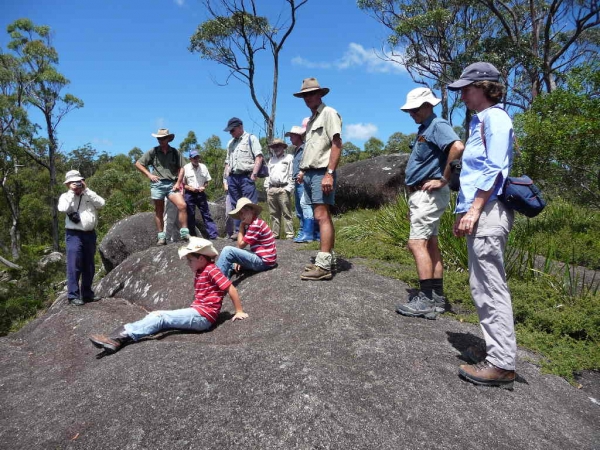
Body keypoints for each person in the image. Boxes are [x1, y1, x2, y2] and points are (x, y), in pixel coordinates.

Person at [448, 62, 516, 389]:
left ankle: (502, 364)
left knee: (490, 286)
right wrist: (463, 213)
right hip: (479, 210)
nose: (462, 94)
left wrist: (474, 209)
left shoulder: (496, 118)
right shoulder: (479, 122)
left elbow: (495, 168)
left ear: (485, 87)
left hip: (489, 210)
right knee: (480, 285)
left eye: (466, 88)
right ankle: (495, 351)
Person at [89, 237, 248, 354]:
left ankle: (118, 337)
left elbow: (230, 288)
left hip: (203, 317)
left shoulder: (211, 270)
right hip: (199, 313)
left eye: (190, 260)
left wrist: (239, 310)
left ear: (201, 258)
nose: (188, 263)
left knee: (160, 317)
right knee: (161, 318)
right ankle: (119, 336)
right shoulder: (202, 270)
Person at [395, 88, 465, 320]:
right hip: (423, 194)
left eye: (415, 109)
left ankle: (424, 299)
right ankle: (436, 297)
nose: (412, 113)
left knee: (416, 244)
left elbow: (457, 147)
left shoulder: (437, 125)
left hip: (430, 192)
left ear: (428, 105)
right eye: (410, 110)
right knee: (431, 244)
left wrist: (444, 179)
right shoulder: (425, 129)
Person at [294, 78, 342, 281]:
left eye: (312, 93)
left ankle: (323, 266)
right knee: (320, 215)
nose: (308, 98)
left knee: (322, 216)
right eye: (305, 94)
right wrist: (303, 171)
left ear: (320, 94)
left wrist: (329, 173)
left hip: (323, 172)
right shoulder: (313, 119)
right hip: (311, 173)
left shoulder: (329, 113)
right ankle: (326, 259)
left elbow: (336, 144)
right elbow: (313, 149)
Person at [57, 170, 105, 306]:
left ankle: (87, 293)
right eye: (73, 182)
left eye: (78, 181)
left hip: (90, 234)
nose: (77, 185)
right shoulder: (65, 196)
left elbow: (101, 203)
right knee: (74, 264)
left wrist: (87, 189)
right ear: (67, 184)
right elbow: (63, 208)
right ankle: (73, 295)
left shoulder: (88, 194)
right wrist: (72, 192)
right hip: (74, 234)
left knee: (89, 265)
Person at [135, 128, 189, 245]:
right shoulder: (153, 151)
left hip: (171, 184)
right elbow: (138, 163)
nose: (160, 140)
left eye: (163, 138)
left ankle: (184, 233)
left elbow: (182, 168)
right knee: (159, 211)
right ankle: (161, 236)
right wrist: (149, 175)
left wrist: (178, 183)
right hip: (157, 184)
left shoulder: (175, 152)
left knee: (182, 205)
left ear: (168, 139)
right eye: (159, 138)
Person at [216, 197, 277, 279]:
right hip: (266, 260)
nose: (243, 215)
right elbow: (240, 247)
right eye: (240, 213)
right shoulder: (255, 223)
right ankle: (224, 281)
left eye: (246, 211)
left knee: (227, 251)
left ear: (253, 211)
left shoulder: (256, 225)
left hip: (264, 261)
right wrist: (238, 259)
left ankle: (216, 283)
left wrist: (241, 226)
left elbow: (240, 245)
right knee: (227, 262)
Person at [223, 117, 264, 237]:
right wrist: (226, 176)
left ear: (240, 127)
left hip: (246, 176)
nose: (231, 133)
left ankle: (253, 230)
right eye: (229, 131)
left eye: (232, 130)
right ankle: (238, 231)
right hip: (233, 178)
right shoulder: (230, 143)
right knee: (235, 204)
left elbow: (259, 157)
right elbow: (227, 161)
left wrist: (254, 174)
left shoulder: (251, 138)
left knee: (250, 204)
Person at [287, 124, 316, 243]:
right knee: (299, 208)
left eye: (292, 136)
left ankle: (309, 233)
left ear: (298, 136)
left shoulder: (304, 148)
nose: (290, 138)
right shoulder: (296, 150)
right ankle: (303, 231)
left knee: (305, 205)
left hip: (303, 181)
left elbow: (308, 162)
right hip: (296, 182)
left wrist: (302, 173)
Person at [182, 150, 219, 239]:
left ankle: (213, 235)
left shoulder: (203, 167)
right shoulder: (185, 168)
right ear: (190, 158)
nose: (196, 159)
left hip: (200, 193)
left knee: (206, 214)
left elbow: (206, 181)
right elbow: (182, 184)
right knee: (190, 215)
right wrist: (190, 188)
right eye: (194, 157)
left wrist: (204, 187)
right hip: (189, 194)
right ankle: (192, 236)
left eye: (197, 157)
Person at [264, 138, 295, 239]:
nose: (276, 148)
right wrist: (267, 188)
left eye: (278, 146)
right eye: (274, 146)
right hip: (271, 189)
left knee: (286, 213)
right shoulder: (271, 160)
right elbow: (267, 175)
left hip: (283, 188)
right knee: (273, 214)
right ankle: (275, 234)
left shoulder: (289, 158)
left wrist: (288, 188)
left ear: (283, 147)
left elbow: (291, 173)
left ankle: (289, 235)